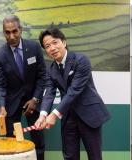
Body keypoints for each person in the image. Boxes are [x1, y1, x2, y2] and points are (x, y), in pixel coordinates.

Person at [35, 28, 111, 160]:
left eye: (55, 42)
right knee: (70, 156)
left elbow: (74, 91)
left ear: (63, 42)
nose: (52, 48)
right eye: (47, 46)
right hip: (68, 117)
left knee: (94, 156)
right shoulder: (51, 69)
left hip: (89, 115)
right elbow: (49, 92)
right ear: (45, 51)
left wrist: (54, 114)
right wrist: (42, 115)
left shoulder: (81, 60)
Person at [0, 15, 46, 160]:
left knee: (38, 142)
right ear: (3, 32)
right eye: (7, 32)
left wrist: (35, 99)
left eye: (14, 31)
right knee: (11, 143)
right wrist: (1, 107)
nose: (11, 36)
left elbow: (42, 76)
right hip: (11, 105)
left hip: (33, 103)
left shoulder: (34, 47)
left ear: (21, 30)